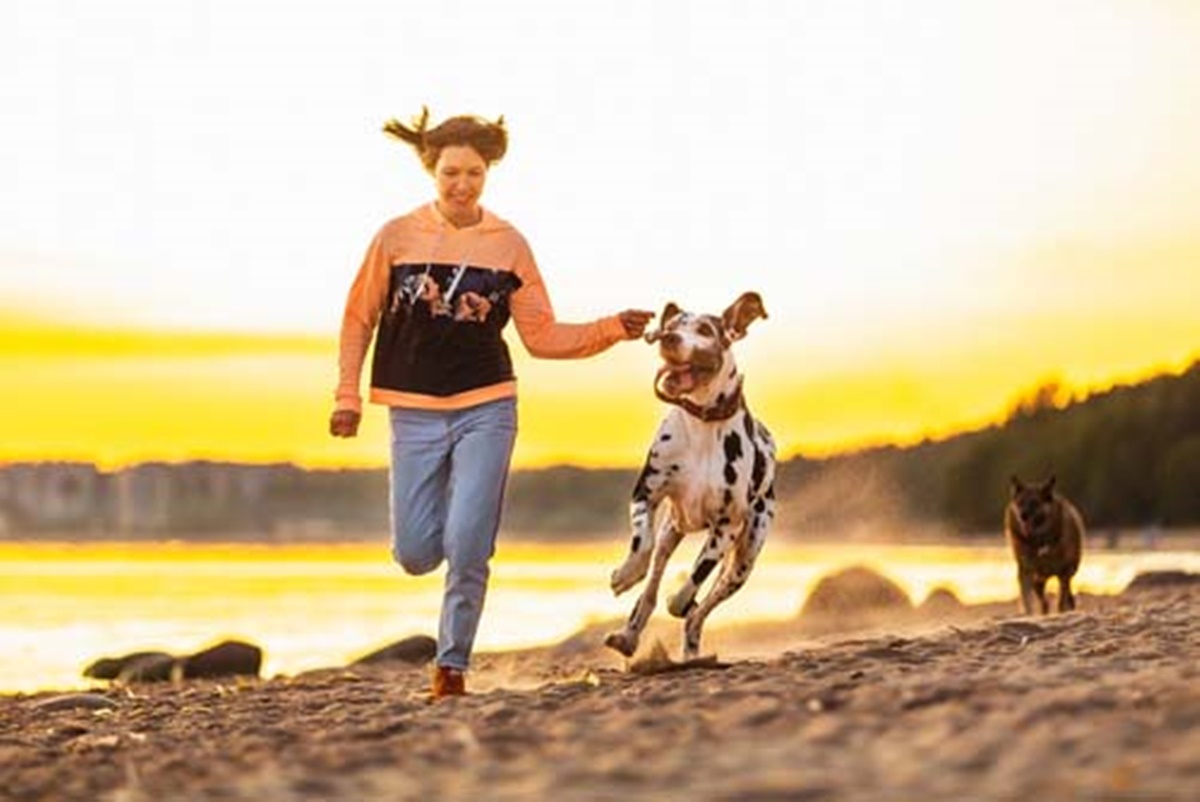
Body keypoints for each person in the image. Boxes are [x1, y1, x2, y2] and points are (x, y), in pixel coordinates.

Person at [329, 108, 654, 699]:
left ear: (487, 172)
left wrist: (613, 327)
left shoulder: (508, 245)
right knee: (415, 553)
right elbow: (359, 317)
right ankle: (455, 522)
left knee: (470, 546)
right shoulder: (395, 238)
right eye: (451, 172)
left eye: (473, 173)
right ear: (432, 170)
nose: (462, 184)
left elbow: (543, 336)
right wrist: (347, 395)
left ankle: (450, 667)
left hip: (488, 405)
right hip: (414, 412)